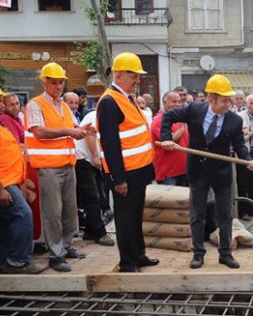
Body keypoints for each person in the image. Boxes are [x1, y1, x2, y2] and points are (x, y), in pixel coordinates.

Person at [160, 74, 253, 269]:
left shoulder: (234, 121)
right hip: (197, 170)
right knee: (198, 214)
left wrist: (248, 160)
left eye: (229, 100)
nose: (228, 104)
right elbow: (168, 116)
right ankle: (198, 253)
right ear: (210, 99)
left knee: (224, 214)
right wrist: (167, 138)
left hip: (221, 173)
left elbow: (240, 146)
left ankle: (225, 253)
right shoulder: (194, 110)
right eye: (224, 101)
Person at [0, 81, 48, 277]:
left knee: (4, 223)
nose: (2, 105)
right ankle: (19, 261)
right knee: (23, 215)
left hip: (6, 182)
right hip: (1, 184)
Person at [24, 62, 93, 272]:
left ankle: (66, 246)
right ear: (44, 82)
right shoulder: (35, 105)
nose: (58, 86)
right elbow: (40, 132)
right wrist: (70, 132)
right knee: (52, 212)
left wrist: (84, 130)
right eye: (53, 82)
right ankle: (55, 254)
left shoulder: (63, 105)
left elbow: (74, 128)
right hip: (48, 167)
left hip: (67, 163)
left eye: (60, 82)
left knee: (69, 209)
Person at [96, 52, 159, 273]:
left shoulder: (127, 97)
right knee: (125, 218)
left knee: (135, 216)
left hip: (138, 171)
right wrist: (118, 178)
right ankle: (127, 262)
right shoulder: (109, 102)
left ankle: (138, 254)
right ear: (119, 74)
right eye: (134, 76)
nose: (138, 80)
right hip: (126, 174)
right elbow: (110, 144)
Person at [74, 107, 114, 247]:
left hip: (92, 161)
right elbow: (90, 135)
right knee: (93, 197)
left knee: (97, 195)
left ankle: (91, 230)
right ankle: (99, 232)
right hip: (84, 159)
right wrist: (96, 157)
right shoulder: (95, 116)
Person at [151, 91, 188, 186]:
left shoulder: (180, 118)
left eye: (179, 102)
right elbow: (167, 141)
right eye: (174, 101)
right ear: (164, 102)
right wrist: (182, 129)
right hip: (168, 173)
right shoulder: (159, 120)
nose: (177, 104)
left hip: (183, 170)